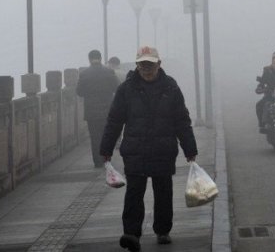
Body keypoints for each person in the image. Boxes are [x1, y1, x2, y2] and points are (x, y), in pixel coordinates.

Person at [100, 46, 198, 252]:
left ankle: (163, 230)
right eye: (142, 65)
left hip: (163, 149)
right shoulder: (126, 89)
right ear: (137, 65)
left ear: (158, 64)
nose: (146, 69)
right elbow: (114, 120)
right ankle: (131, 233)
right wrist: (106, 148)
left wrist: (190, 149)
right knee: (134, 193)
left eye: (150, 64)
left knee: (163, 192)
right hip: (136, 150)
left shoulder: (170, 87)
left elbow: (182, 120)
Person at [76, 49, 120, 168]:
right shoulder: (109, 72)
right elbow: (117, 88)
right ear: (100, 58)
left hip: (91, 112)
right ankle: (106, 159)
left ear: (89, 59)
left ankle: (97, 161)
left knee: (95, 137)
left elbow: (79, 92)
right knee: (107, 135)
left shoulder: (84, 74)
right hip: (107, 110)